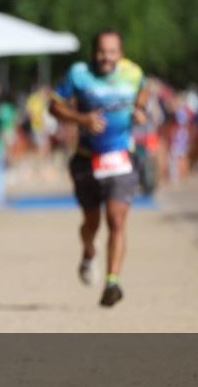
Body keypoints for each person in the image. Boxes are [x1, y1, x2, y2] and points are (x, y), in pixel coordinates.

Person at [49, 29, 148, 307]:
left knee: (116, 220)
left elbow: (144, 91)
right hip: (86, 159)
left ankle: (112, 282)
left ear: (121, 53)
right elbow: (54, 106)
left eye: (112, 52)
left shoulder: (133, 72)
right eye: (102, 52)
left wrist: (140, 108)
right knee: (91, 222)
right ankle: (88, 251)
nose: (107, 57)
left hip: (121, 159)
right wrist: (81, 118)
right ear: (94, 53)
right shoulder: (78, 74)